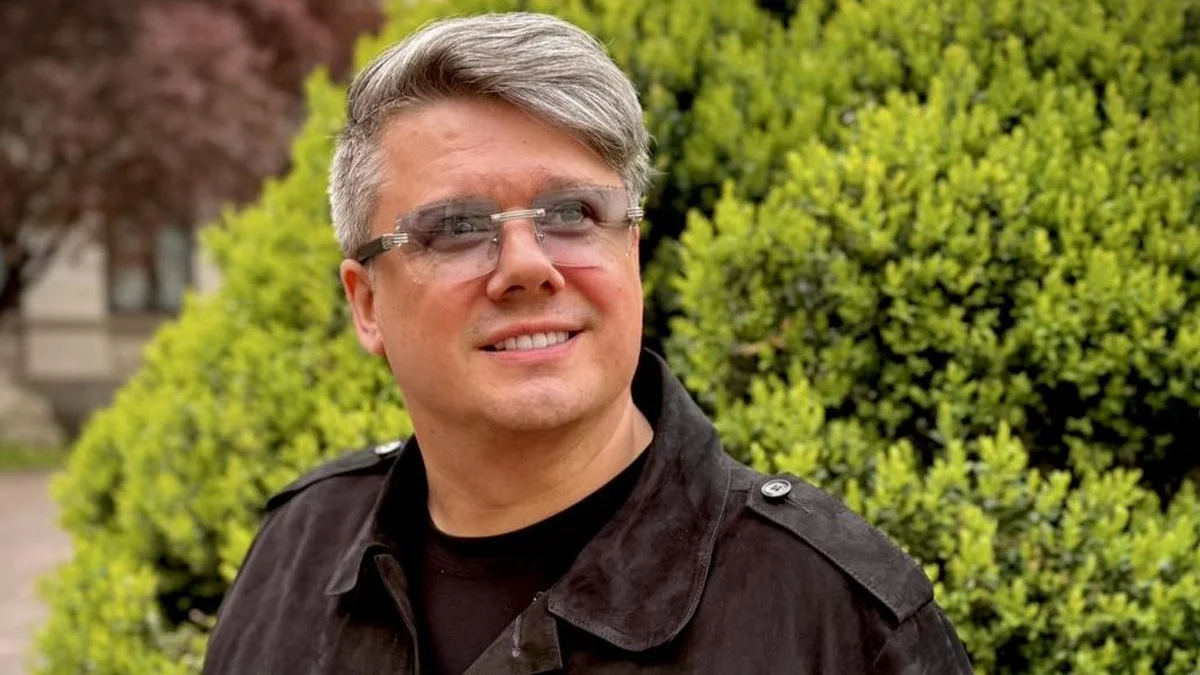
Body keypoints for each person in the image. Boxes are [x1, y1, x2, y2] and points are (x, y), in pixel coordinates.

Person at [201, 12, 974, 675]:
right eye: (458, 227)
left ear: (630, 251)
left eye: (572, 213)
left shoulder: (832, 619)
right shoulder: (297, 552)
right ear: (367, 303)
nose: (527, 266)